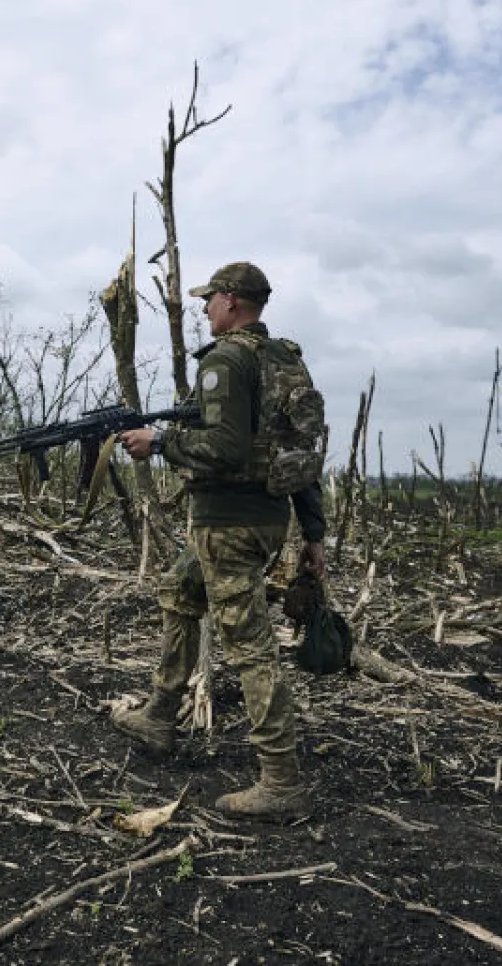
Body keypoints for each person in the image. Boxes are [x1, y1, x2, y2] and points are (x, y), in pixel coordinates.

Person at [114, 261, 326, 821]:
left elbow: (227, 449)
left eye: (210, 299)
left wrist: (160, 442)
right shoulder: (282, 359)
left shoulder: (227, 360)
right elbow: (298, 450)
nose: (205, 308)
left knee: (249, 646)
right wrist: (314, 532)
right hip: (262, 519)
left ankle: (281, 781)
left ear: (232, 301)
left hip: (228, 525)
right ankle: (160, 715)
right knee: (180, 592)